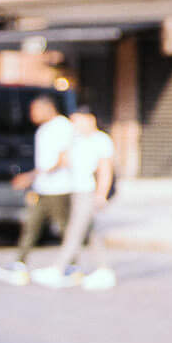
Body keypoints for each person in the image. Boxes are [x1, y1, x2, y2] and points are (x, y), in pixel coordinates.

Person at [0, 92, 73, 285]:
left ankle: (72, 265)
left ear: (48, 108)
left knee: (64, 228)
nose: (32, 114)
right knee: (31, 225)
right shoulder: (43, 129)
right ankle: (19, 263)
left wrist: (30, 177)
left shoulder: (62, 126)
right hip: (43, 188)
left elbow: (63, 159)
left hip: (59, 188)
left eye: (35, 109)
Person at [35, 107, 116, 289]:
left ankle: (59, 268)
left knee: (75, 231)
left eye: (77, 120)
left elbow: (105, 170)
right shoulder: (77, 140)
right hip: (76, 190)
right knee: (92, 232)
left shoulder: (101, 140)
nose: (75, 125)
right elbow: (64, 160)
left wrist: (101, 195)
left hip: (89, 191)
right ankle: (104, 270)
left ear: (90, 119)